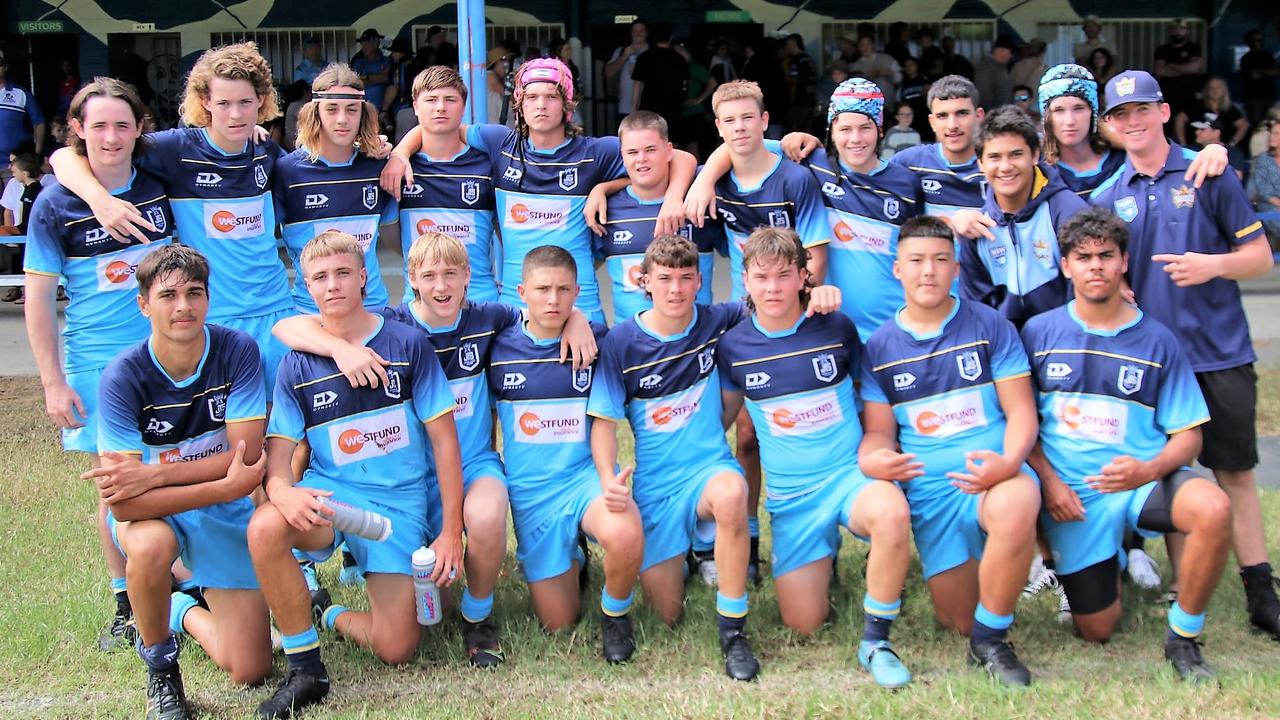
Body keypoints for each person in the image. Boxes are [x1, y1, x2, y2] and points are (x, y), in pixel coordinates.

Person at [272, 230, 598, 668]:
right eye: (429, 276)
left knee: (484, 516)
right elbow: (286, 327)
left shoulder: (490, 318)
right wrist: (336, 347)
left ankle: (478, 617)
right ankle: (354, 601)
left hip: (473, 461)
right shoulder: (396, 326)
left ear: (468, 277)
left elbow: (544, 310)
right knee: (427, 611)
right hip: (412, 473)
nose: (441, 286)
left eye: (451, 274)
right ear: (412, 280)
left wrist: (575, 317)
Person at [1090, 69, 1280, 642]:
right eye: (1121, 115)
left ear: (1164, 111)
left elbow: (1260, 257)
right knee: (1173, 474)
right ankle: (1181, 581)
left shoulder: (1208, 172)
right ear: (1110, 126)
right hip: (1149, 364)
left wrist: (1212, 265)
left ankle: (1260, 589)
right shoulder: (1107, 196)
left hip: (1217, 352)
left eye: (1142, 110)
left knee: (1235, 472)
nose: (1133, 122)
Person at [248, 231, 463, 719]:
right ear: (307, 287)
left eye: (343, 273)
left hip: (396, 506)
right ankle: (305, 667)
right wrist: (281, 491)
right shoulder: (297, 363)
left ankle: (325, 610)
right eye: (320, 278)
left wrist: (451, 531)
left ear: (364, 276)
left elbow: (445, 442)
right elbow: (278, 454)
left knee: (398, 647)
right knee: (265, 526)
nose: (333, 285)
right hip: (335, 494)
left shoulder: (406, 343)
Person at [1023, 207, 1232, 683]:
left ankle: (1184, 637)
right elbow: (1021, 425)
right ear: (1065, 266)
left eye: (1106, 255)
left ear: (1123, 263)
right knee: (1096, 630)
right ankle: (1105, 558)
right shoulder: (1039, 333)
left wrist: (1148, 469)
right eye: (1084, 257)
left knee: (1213, 509)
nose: (1095, 265)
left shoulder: (1158, 340)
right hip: (1073, 497)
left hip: (1140, 484)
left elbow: (1189, 436)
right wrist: (1051, 484)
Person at [717, 227, 914, 689]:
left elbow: (873, 401)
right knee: (804, 624)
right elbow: (722, 420)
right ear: (745, 280)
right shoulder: (734, 346)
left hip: (848, 478)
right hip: (792, 497)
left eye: (784, 276)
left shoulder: (836, 325)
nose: (772, 288)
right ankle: (825, 556)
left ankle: (876, 642)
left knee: (891, 513)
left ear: (804, 277)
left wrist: (879, 452)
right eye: (761, 277)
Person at [23, 78, 177, 654]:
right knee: (120, 491)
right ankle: (125, 601)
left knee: (176, 471)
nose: (111, 136)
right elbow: (37, 300)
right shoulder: (53, 204)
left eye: (122, 124)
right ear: (78, 131)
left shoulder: (159, 182)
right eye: (98, 125)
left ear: (140, 130)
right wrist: (53, 383)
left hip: (170, 361)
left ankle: (181, 581)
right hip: (97, 368)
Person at [49, 42, 294, 393]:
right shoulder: (176, 149)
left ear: (261, 100)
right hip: (214, 318)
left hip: (275, 311)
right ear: (205, 102)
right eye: (224, 103)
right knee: (224, 432)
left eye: (245, 103)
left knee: (280, 429)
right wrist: (99, 200)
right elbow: (64, 157)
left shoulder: (266, 151)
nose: (236, 115)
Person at [859, 215, 1041, 687]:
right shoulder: (879, 346)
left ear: (956, 269)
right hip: (931, 494)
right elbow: (878, 434)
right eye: (916, 261)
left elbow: (1022, 414)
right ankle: (999, 582)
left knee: (1018, 501)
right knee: (956, 617)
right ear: (896, 269)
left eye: (940, 260)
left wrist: (1008, 463)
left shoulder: (991, 326)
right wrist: (873, 458)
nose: (928, 271)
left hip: (992, 476)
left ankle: (991, 641)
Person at [97, 244, 273, 719]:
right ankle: (161, 670)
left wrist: (153, 474)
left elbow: (247, 455)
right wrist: (221, 485)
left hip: (209, 505)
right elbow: (125, 507)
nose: (183, 307)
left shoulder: (237, 350)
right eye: (168, 295)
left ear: (208, 298)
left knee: (251, 668)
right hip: (157, 512)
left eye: (194, 293)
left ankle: (179, 608)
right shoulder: (121, 377)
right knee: (151, 547)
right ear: (143, 304)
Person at [383, 58, 694, 322]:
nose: (541, 105)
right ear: (519, 102)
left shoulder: (596, 153)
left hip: (580, 306)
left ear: (568, 104)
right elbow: (436, 127)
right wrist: (399, 154)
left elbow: (676, 157)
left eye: (552, 97)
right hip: (515, 308)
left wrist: (634, 190)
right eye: (532, 97)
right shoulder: (500, 144)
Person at [587, 235, 760, 680]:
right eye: (665, 279)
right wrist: (608, 478)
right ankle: (677, 561)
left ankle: (733, 632)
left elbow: (767, 296)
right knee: (666, 613)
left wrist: (814, 290)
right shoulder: (622, 344)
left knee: (733, 494)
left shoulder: (717, 321)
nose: (677, 290)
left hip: (708, 469)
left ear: (700, 280)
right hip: (656, 486)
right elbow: (604, 424)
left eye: (686, 279)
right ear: (645, 282)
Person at [684, 80, 831, 578]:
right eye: (729, 121)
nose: (740, 127)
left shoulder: (795, 179)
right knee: (741, 433)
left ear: (766, 122)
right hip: (745, 320)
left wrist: (794, 311)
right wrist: (704, 178)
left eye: (749, 118)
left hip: (794, 318)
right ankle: (743, 545)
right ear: (718, 128)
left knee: (800, 427)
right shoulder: (718, 181)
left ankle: (817, 538)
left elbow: (815, 257)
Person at [488, 245, 644, 662]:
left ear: (578, 291)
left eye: (562, 290)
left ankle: (615, 615)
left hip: (583, 479)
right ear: (522, 291)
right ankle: (573, 552)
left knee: (625, 533)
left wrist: (608, 478)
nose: (553, 300)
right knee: (559, 622)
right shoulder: (496, 347)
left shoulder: (598, 343)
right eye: (542, 289)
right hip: (533, 494)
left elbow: (606, 421)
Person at [275, 63, 397, 313]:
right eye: (331, 109)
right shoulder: (286, 171)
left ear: (363, 114)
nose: (342, 119)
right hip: (311, 313)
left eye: (352, 109)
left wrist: (401, 154)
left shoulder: (378, 167)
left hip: (372, 308)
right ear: (314, 113)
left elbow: (395, 239)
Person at [957, 105, 1086, 328]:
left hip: (1064, 344)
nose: (1005, 167)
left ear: (1035, 155)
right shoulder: (975, 227)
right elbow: (975, 309)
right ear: (980, 163)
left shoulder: (1067, 211)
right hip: (1006, 351)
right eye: (994, 157)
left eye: (1016, 154)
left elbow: (1086, 292)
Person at [588, 111, 721, 324]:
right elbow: (581, 269)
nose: (641, 159)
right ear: (622, 156)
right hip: (633, 348)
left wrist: (788, 141)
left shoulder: (698, 197)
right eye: (632, 152)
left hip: (695, 345)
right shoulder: (606, 210)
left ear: (669, 151)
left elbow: (737, 153)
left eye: (650, 150)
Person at [384, 66, 500, 304]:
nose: (440, 107)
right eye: (431, 100)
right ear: (415, 106)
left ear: (463, 106)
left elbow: (504, 233)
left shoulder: (488, 165)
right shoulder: (399, 168)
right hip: (418, 305)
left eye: (450, 99)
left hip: (480, 302)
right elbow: (391, 238)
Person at [890, 75, 986, 222]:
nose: (952, 125)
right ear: (932, 122)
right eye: (942, 116)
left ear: (979, 116)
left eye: (962, 113)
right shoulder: (910, 162)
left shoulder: (997, 164)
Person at [0, 152, 43, 301]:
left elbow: (32, 216)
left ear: (25, 173)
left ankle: (27, 292)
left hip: (28, 229)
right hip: (23, 227)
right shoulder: (27, 188)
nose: (13, 174)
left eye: (14, 171)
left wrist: (15, 230)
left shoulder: (34, 190)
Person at [632, 23, 689, 130]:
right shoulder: (679, 59)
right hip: (673, 106)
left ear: (653, 36)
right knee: (672, 137)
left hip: (649, 105)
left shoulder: (644, 58)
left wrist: (634, 108)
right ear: (671, 36)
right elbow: (685, 82)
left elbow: (637, 84)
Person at [1173, 77, 1248, 148]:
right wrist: (1182, 143)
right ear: (1207, 90)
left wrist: (1232, 142)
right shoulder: (1197, 105)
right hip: (1196, 147)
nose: (1214, 90)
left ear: (1224, 90)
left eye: (1218, 88)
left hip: (1220, 148)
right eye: (1211, 88)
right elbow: (1179, 119)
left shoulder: (1229, 109)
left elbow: (1243, 125)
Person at [0, 49, 46, 163]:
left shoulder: (20, 93)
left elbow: (39, 123)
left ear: (5, 67)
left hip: (17, 165)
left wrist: (37, 154)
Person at [1153, 19, 1203, 123]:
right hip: (1168, 94)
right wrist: (1185, 68)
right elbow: (1160, 70)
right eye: (1174, 29)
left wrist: (1171, 66)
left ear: (1187, 31)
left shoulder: (1193, 48)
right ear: (1170, 31)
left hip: (1189, 95)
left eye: (1182, 28)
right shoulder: (1163, 50)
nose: (1178, 31)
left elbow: (1195, 67)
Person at [605, 20, 649, 119]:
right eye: (635, 31)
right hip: (624, 107)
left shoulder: (652, 51)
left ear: (646, 33)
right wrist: (624, 57)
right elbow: (608, 73)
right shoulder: (621, 51)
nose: (638, 34)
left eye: (641, 31)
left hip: (648, 106)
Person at [1246, 120, 1280, 243]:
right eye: (1272, 133)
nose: (1272, 136)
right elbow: (1264, 191)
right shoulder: (1264, 159)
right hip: (1269, 204)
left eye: (1276, 133)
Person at [351, 29, 392, 130]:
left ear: (376, 43)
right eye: (362, 43)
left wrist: (366, 76)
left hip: (383, 110)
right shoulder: (358, 61)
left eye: (367, 42)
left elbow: (387, 78)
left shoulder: (386, 61)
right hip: (362, 110)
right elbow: (356, 82)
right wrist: (377, 78)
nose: (364, 46)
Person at [1189, 113, 1247, 177]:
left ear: (1216, 133)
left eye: (1202, 129)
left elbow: (1236, 179)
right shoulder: (1191, 149)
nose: (1197, 132)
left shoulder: (1234, 153)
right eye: (1197, 129)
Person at [387, 38, 420, 144]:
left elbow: (394, 88)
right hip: (418, 108)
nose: (392, 55)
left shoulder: (399, 67)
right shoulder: (418, 66)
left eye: (394, 52)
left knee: (402, 145)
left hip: (405, 109)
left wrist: (383, 109)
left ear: (399, 53)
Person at [1240, 30, 1277, 126]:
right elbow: (1253, 75)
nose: (1259, 42)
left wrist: (1261, 71)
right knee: (1256, 124)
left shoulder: (1267, 55)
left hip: (1268, 95)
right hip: (1253, 97)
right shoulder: (1246, 58)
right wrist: (1266, 71)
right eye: (1256, 40)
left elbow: (1276, 71)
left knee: (1270, 122)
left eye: (1261, 40)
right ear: (1249, 41)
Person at [851, 36, 901, 106]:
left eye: (868, 44)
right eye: (862, 45)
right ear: (859, 48)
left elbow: (899, 78)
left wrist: (889, 73)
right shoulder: (856, 66)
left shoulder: (887, 58)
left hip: (888, 98)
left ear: (873, 45)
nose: (865, 47)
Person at [783, 34, 817, 133]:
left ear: (794, 44)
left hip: (799, 102)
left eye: (788, 44)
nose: (786, 47)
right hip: (811, 102)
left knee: (796, 131)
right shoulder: (809, 60)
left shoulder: (795, 61)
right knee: (808, 130)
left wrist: (790, 101)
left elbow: (794, 82)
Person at [974, 39, 1015, 111]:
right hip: (996, 115)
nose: (1010, 56)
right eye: (1010, 52)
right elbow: (984, 96)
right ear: (1001, 50)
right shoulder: (987, 68)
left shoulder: (998, 67)